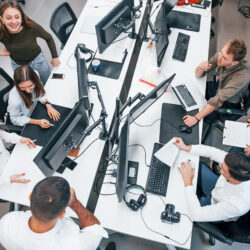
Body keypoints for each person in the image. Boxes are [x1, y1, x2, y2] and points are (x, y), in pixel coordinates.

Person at [0, 176, 108, 250]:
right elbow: (95, 229)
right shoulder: (74, 245)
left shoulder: (7, 222)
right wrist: (75, 204)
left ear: (30, 196)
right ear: (62, 214)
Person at [173, 137, 250, 222]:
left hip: (215, 205)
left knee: (178, 201)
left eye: (222, 169)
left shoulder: (237, 205)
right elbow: (212, 152)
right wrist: (186, 147)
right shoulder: (235, 166)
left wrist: (188, 181)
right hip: (215, 188)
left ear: (234, 179)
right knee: (192, 164)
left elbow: (196, 215)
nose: (219, 165)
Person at [183, 39, 250, 127]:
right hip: (219, 87)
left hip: (228, 103)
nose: (219, 58)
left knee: (194, 115)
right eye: (221, 52)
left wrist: (196, 118)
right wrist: (201, 68)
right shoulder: (221, 56)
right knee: (187, 93)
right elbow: (199, 75)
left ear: (235, 62)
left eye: (224, 58)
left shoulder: (241, 76)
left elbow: (218, 100)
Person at [0, 0, 60, 84]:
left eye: (17, 17)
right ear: (2, 18)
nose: (13, 22)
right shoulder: (2, 32)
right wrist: (4, 52)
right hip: (18, 66)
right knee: (27, 90)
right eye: (8, 18)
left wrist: (55, 57)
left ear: (21, 16)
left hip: (37, 62)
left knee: (48, 84)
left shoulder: (31, 27)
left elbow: (49, 38)